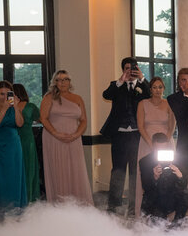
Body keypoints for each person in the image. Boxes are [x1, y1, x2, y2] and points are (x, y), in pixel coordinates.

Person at [101, 57, 150, 215]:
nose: (130, 71)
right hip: (120, 135)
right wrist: (120, 81)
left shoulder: (143, 86)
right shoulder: (116, 85)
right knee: (118, 170)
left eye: (133, 68)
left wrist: (142, 78)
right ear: (123, 70)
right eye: (127, 68)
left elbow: (151, 94)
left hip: (137, 135)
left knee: (136, 171)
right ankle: (113, 205)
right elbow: (106, 95)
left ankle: (134, 204)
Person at [40, 70, 93, 205]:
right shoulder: (49, 97)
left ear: (70, 82)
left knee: (76, 171)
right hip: (53, 138)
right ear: (55, 82)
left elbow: (84, 121)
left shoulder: (78, 98)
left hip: (74, 139)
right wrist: (56, 133)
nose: (62, 82)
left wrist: (76, 135)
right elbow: (43, 119)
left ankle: (78, 206)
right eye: (59, 80)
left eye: (65, 79)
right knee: (58, 172)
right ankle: (60, 206)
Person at [135, 76, 176, 218]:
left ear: (163, 89)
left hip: (165, 142)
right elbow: (140, 126)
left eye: (160, 87)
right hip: (147, 142)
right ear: (150, 89)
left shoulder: (169, 103)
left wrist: (167, 141)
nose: (157, 90)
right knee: (147, 176)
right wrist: (151, 144)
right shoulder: (142, 103)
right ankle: (146, 212)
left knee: (167, 174)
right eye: (154, 87)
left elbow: (172, 125)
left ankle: (167, 211)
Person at [0, 80, 27, 214]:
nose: (4, 97)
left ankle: (15, 210)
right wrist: (3, 108)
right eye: (2, 94)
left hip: (13, 146)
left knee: (14, 177)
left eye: (7, 94)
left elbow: (20, 123)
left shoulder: (16, 106)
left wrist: (15, 107)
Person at [139, 133, 188, 223]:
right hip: (155, 196)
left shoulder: (177, 159)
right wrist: (155, 177)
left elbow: (183, 185)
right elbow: (146, 187)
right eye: (158, 149)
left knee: (186, 194)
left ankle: (177, 226)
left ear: (168, 146)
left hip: (172, 195)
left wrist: (180, 176)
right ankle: (157, 223)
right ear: (153, 146)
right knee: (159, 225)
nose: (161, 151)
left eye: (163, 148)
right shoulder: (145, 161)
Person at [167, 68, 188, 187]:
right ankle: (181, 202)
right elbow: (181, 114)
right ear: (178, 82)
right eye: (183, 80)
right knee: (181, 174)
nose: (187, 83)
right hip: (184, 142)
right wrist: (187, 96)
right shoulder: (172, 98)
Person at [13, 84, 41, 202]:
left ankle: (23, 199)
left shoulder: (30, 106)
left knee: (25, 168)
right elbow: (41, 119)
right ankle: (27, 198)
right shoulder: (30, 106)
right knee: (24, 168)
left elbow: (41, 119)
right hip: (21, 139)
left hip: (22, 139)